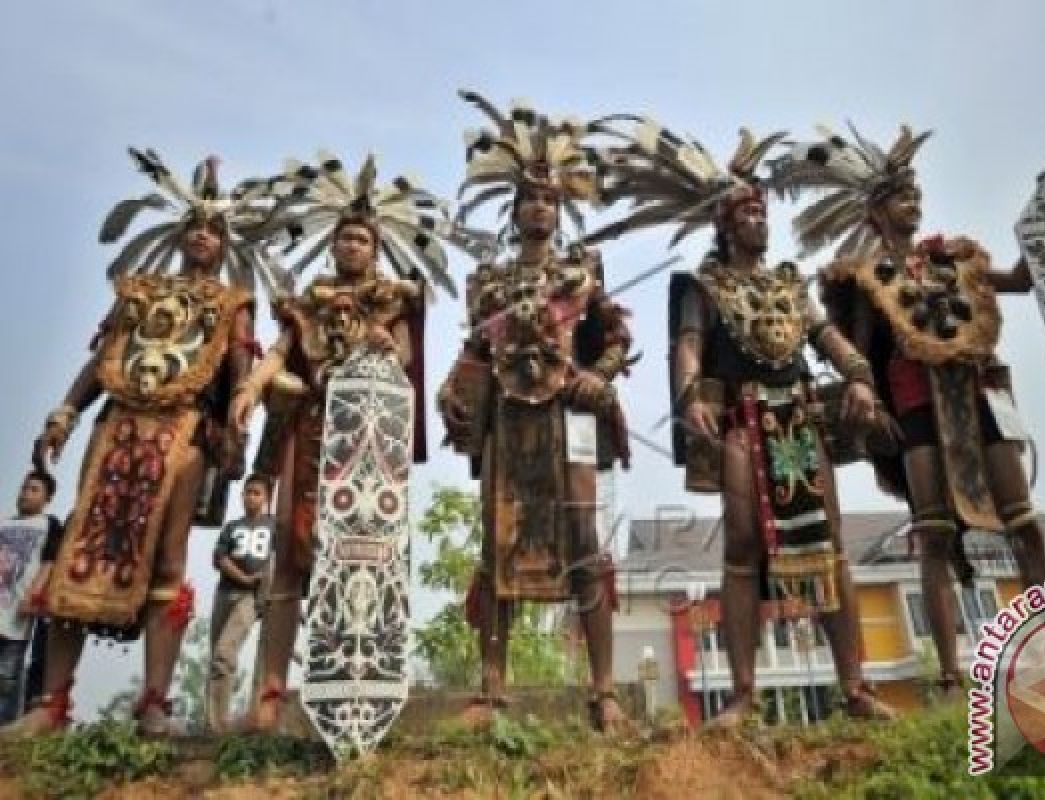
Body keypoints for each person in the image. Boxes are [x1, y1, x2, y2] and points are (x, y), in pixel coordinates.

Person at [586, 119, 896, 725]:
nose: (760, 218)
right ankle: (745, 694)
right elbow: (689, 346)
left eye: (762, 210)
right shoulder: (705, 284)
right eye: (747, 212)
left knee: (829, 544)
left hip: (802, 419)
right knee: (743, 542)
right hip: (741, 419)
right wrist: (687, 398)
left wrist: (859, 373)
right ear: (725, 224)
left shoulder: (789, 284)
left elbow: (824, 334)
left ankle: (855, 687)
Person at [4, 151, 283, 737]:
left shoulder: (232, 304)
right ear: (181, 236)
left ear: (226, 245)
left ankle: (154, 703)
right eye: (195, 228)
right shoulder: (137, 294)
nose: (203, 237)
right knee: (82, 544)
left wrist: (239, 423)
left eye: (214, 230)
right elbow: (98, 359)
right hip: (117, 430)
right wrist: (64, 415)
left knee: (169, 560)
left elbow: (238, 368)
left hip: (183, 436)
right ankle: (52, 705)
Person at [772, 124, 1045, 693]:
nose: (915, 202)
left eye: (916, 194)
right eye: (902, 196)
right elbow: (852, 351)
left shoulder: (954, 260)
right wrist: (859, 392)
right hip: (914, 406)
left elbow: (1021, 283)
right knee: (934, 534)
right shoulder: (865, 277)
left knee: (1023, 521)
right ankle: (951, 673)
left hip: (977, 397)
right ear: (877, 211)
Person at [231, 154, 465, 732]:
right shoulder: (312, 298)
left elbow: (406, 358)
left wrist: (384, 345)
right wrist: (253, 383)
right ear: (333, 246)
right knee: (291, 555)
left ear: (376, 247)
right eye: (344, 238)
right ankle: (270, 686)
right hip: (309, 432)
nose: (352, 246)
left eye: (361, 238)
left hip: (365, 445)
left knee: (365, 561)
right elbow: (285, 350)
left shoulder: (393, 298)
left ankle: (363, 686)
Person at [438, 91, 635, 732]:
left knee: (582, 543)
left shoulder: (583, 274)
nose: (539, 207)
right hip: (507, 425)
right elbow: (474, 350)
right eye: (529, 199)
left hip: (571, 423)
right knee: (499, 545)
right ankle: (493, 690)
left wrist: (598, 380)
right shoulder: (491, 282)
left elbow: (615, 339)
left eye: (549, 199)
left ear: (560, 209)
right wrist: (451, 389)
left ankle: (603, 692)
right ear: (514, 210)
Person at [206, 474, 274, 733]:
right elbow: (220, 558)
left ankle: (242, 722)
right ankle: (214, 724)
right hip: (225, 592)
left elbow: (276, 559)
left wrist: (261, 584)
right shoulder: (231, 527)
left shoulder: (273, 528)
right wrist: (243, 576)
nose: (251, 497)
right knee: (216, 658)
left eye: (256, 493)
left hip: (251, 597)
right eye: (247, 492)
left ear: (266, 497)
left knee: (225, 652)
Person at [0, 471, 62, 723]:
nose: (25, 493)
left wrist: (35, 594)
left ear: (47, 498)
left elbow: (49, 562)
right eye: (24, 488)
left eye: (34, 489)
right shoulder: (4, 522)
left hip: (17, 615)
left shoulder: (48, 524)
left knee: (6, 677)